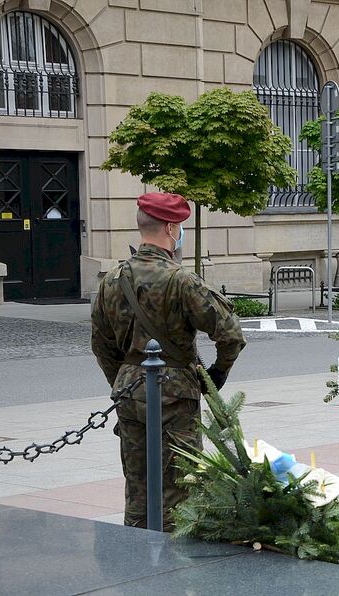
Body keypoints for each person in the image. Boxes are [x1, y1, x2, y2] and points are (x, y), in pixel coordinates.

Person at [91, 192, 246, 531]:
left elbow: (101, 345)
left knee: (137, 485)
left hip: (129, 392)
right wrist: (217, 374)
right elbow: (231, 335)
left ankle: (134, 557)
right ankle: (173, 569)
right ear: (173, 229)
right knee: (183, 486)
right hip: (175, 395)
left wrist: (123, 379)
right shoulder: (181, 280)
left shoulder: (112, 280)